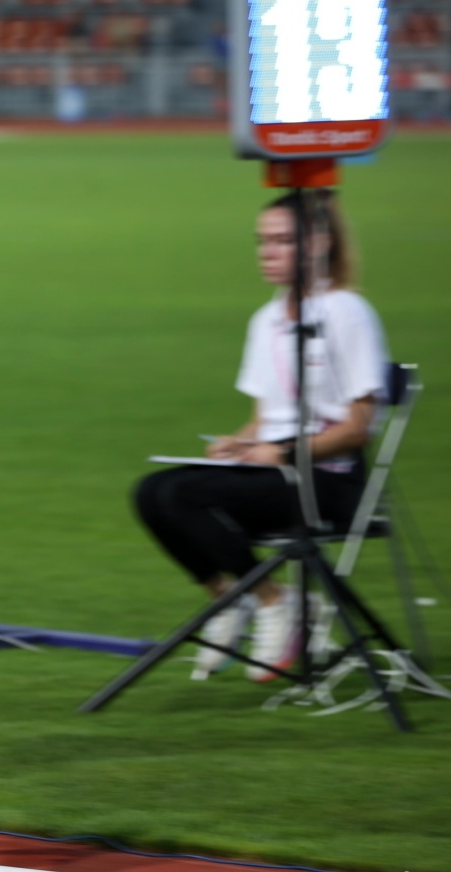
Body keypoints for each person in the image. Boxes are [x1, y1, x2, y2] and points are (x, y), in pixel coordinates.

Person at [134, 191, 388, 682]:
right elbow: (264, 417)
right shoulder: (266, 319)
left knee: (184, 495)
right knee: (151, 493)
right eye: (262, 241)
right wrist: (237, 443)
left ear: (318, 243)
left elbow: (358, 428)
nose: (267, 252)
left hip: (328, 479)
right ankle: (232, 599)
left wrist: (284, 452)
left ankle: (275, 603)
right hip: (274, 469)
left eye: (282, 241)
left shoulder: (346, 312)